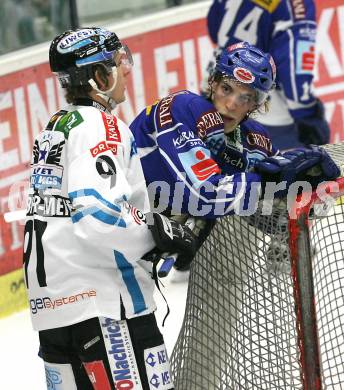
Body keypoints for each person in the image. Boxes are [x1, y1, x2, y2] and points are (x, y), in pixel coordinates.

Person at [23, 27, 198, 390]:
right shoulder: (100, 126)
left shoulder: (55, 129)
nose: (128, 70)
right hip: (106, 311)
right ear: (100, 77)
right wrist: (155, 230)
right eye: (119, 63)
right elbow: (97, 215)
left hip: (54, 314)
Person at [130, 42, 339, 279]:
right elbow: (204, 194)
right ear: (213, 83)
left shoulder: (254, 140)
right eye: (226, 89)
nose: (231, 104)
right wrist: (267, 181)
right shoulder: (184, 107)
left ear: (257, 104)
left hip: (152, 249)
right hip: (111, 231)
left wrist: (312, 183)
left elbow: (285, 196)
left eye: (246, 97)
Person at [206, 0, 330, 151]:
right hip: (264, 116)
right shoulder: (296, 4)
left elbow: (213, 26)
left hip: (216, 91)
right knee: (291, 171)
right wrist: (308, 117)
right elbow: (295, 73)